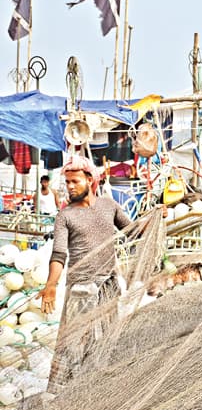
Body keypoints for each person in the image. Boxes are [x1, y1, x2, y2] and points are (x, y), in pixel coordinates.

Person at [41, 155, 133, 387]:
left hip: (109, 286)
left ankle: (101, 385)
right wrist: (51, 285)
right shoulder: (66, 215)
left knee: (110, 337)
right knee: (74, 341)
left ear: (90, 179)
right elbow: (59, 254)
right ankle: (61, 390)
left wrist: (157, 218)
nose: (70, 187)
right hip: (82, 288)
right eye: (68, 182)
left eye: (75, 182)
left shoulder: (108, 206)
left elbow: (133, 231)